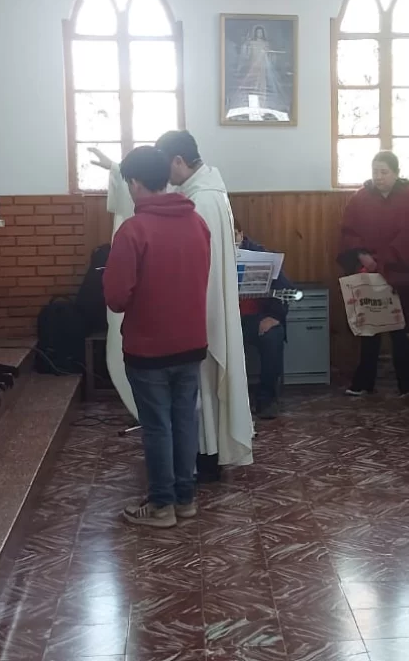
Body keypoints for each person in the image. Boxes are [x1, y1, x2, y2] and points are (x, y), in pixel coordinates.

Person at [91, 132, 253, 483]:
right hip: (193, 330)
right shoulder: (198, 201)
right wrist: (117, 169)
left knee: (164, 422)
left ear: (178, 161)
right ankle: (186, 485)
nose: (165, 176)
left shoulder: (201, 200)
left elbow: (121, 293)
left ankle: (172, 489)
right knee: (185, 415)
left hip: (173, 330)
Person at [102, 147, 210, 528]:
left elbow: (116, 298)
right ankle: (185, 499)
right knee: (184, 421)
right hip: (191, 343)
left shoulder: (134, 230)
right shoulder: (197, 223)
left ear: (134, 183)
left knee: (157, 426)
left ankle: (162, 505)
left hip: (149, 348)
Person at [338, 150, 409, 398]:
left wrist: (385, 260)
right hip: (369, 272)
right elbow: (350, 232)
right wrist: (362, 255)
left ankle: (408, 384)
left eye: (384, 172)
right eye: (375, 172)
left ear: (396, 173)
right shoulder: (360, 198)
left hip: (402, 273)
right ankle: (364, 382)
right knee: (369, 330)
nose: (379, 177)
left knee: (402, 329)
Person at [234, 220, 294, 419]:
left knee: (273, 336)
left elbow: (286, 289)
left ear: (241, 234)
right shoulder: (210, 252)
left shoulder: (260, 255)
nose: (232, 241)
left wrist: (274, 316)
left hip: (255, 318)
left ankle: (266, 399)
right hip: (224, 320)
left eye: (235, 235)